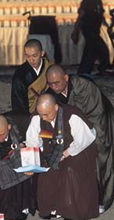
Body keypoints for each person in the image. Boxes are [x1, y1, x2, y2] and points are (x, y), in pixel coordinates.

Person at [46, 64, 114, 212]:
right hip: (75, 127)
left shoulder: (85, 87)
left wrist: (85, 138)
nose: (54, 87)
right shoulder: (50, 93)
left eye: (57, 83)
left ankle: (102, 199)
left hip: (99, 121)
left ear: (66, 77)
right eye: (50, 84)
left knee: (100, 155)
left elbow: (96, 115)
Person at [26, 94, 99, 220]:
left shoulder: (72, 115)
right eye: (41, 114)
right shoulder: (37, 118)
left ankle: (72, 212)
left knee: (70, 170)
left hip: (78, 150)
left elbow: (84, 139)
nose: (43, 118)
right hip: (53, 152)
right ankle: (50, 209)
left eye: (46, 115)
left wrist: (65, 154)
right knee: (46, 170)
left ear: (55, 107)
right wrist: (32, 161)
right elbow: (32, 142)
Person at [11, 39, 51, 115]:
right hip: (30, 112)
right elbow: (18, 102)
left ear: (42, 53)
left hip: (49, 109)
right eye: (27, 56)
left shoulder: (50, 68)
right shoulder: (20, 74)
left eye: (35, 56)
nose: (31, 60)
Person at [71, 0, 110, 75]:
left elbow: (101, 15)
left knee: (91, 52)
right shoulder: (86, 2)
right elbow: (80, 17)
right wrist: (75, 31)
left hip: (95, 31)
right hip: (88, 30)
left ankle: (84, 72)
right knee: (102, 50)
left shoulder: (99, 2)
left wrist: (107, 26)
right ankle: (99, 69)